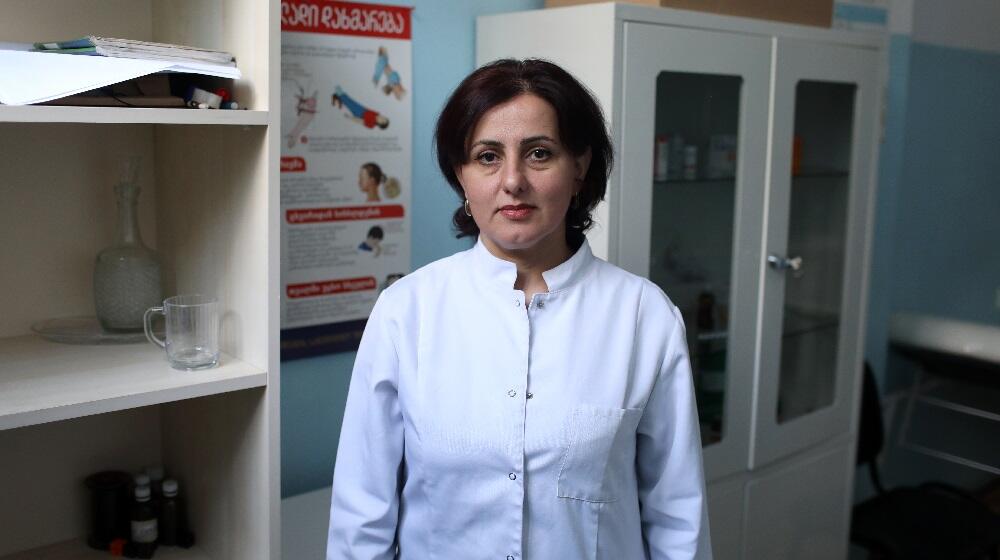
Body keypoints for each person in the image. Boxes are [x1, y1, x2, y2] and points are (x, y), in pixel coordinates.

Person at [327, 59, 712, 559]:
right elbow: (362, 514)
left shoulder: (644, 316)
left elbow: (677, 515)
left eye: (538, 153)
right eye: (487, 156)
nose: (512, 180)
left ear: (580, 168)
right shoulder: (407, 312)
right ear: (461, 176)